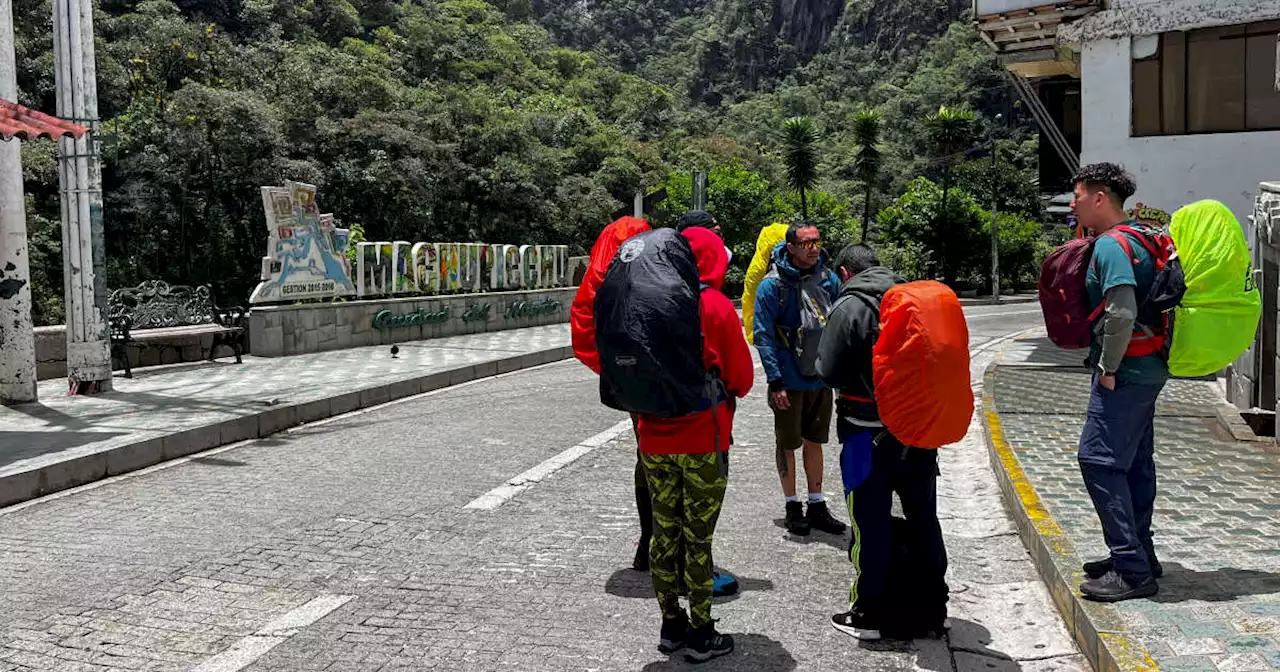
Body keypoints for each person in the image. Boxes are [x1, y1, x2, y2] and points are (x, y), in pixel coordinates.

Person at [816, 243, 948, 641]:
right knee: (924, 518)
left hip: (863, 435)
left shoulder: (849, 306)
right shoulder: (913, 299)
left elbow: (828, 371)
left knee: (868, 524)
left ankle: (867, 613)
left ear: (844, 273)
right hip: (919, 432)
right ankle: (932, 610)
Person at [636, 227, 754, 662]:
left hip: (653, 438)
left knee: (664, 534)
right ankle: (703, 632)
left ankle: (670, 626)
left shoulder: (650, 301)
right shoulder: (716, 306)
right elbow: (741, 378)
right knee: (697, 539)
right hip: (703, 438)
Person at [1070, 163, 1168, 602]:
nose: (1072, 204)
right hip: (1150, 367)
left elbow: (1122, 310)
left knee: (1098, 460)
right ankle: (1140, 553)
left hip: (1126, 371)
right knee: (1134, 462)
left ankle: (1131, 569)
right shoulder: (1145, 236)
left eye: (1077, 196)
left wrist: (1107, 368)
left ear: (1100, 196)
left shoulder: (1111, 246)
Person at [753, 221, 847, 537]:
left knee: (816, 440)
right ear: (790, 247)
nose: (813, 248)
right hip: (788, 381)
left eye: (816, 242)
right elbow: (764, 336)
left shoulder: (829, 280)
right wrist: (775, 381)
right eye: (806, 243)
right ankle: (793, 505)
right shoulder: (772, 286)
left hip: (819, 379)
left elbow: (839, 326)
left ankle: (817, 504)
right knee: (787, 443)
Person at [570, 216, 653, 570]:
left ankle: (646, 540)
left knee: (645, 454)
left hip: (628, 381)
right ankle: (669, 543)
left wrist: (612, 371)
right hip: (662, 378)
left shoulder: (600, 278)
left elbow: (582, 327)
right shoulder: (654, 269)